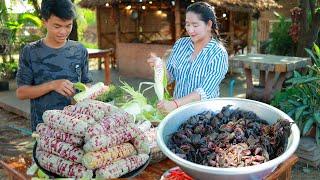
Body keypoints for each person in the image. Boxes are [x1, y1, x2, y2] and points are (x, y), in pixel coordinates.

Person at [16, 0, 92, 131]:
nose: (63, 32)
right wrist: (52, 85)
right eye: (57, 26)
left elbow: (87, 84)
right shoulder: (30, 52)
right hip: (44, 128)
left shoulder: (79, 50)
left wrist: (86, 94)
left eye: (68, 26)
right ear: (44, 21)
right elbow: (21, 93)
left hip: (76, 127)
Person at [147, 1, 228, 113]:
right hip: (178, 112)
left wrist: (175, 104)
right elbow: (169, 77)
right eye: (187, 24)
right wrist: (159, 67)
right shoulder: (181, 45)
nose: (190, 30)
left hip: (204, 116)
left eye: (195, 25)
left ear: (209, 25)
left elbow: (204, 91)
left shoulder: (218, 53)